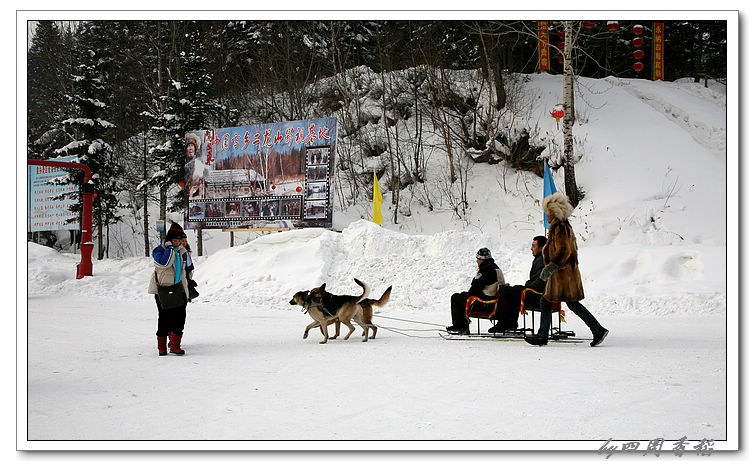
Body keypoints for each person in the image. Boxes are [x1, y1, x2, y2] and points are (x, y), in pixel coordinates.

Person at [525, 193, 608, 347]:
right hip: (564, 273)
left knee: (555, 302)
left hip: (562, 274)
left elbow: (563, 250)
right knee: (556, 302)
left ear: (554, 212)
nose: (546, 216)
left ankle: (597, 330)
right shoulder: (561, 225)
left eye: (547, 212)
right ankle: (597, 330)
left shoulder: (559, 227)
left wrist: (550, 267)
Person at [147, 222, 195, 356]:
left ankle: (175, 345)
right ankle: (161, 348)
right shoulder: (159, 251)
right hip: (162, 290)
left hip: (179, 289)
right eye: (174, 240)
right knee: (164, 318)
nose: (177, 243)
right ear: (169, 240)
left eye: (179, 241)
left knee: (180, 317)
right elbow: (164, 263)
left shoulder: (182, 251)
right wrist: (170, 250)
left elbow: (187, 269)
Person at [488, 235, 547, 333]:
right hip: (536, 291)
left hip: (537, 295)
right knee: (511, 290)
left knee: (506, 291)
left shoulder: (542, 260)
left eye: (533, 246)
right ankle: (510, 322)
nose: (531, 248)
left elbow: (540, 282)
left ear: (541, 248)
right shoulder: (540, 258)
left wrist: (528, 285)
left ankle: (504, 323)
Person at [446, 248, 505, 335]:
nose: (477, 261)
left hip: (486, 304)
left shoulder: (485, 270)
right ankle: (461, 325)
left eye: (478, 259)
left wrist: (466, 294)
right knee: (462, 296)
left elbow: (475, 289)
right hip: (497, 302)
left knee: (456, 297)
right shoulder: (495, 267)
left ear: (482, 259)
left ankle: (459, 326)